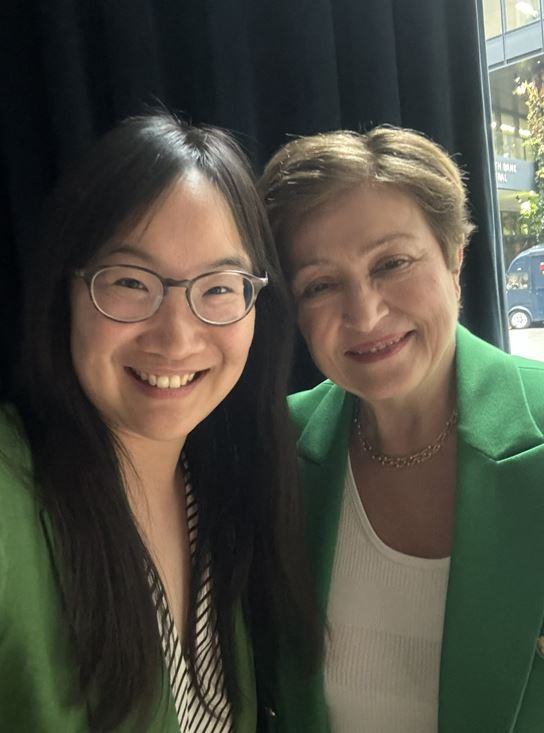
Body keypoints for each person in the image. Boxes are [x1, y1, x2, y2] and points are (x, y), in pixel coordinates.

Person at [0, 113, 316, 732]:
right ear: (67, 290)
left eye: (219, 288)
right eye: (129, 282)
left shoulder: (233, 486)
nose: (176, 337)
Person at [259, 127, 544, 733]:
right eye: (320, 284)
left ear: (454, 258)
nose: (364, 314)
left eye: (391, 263)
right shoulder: (277, 450)